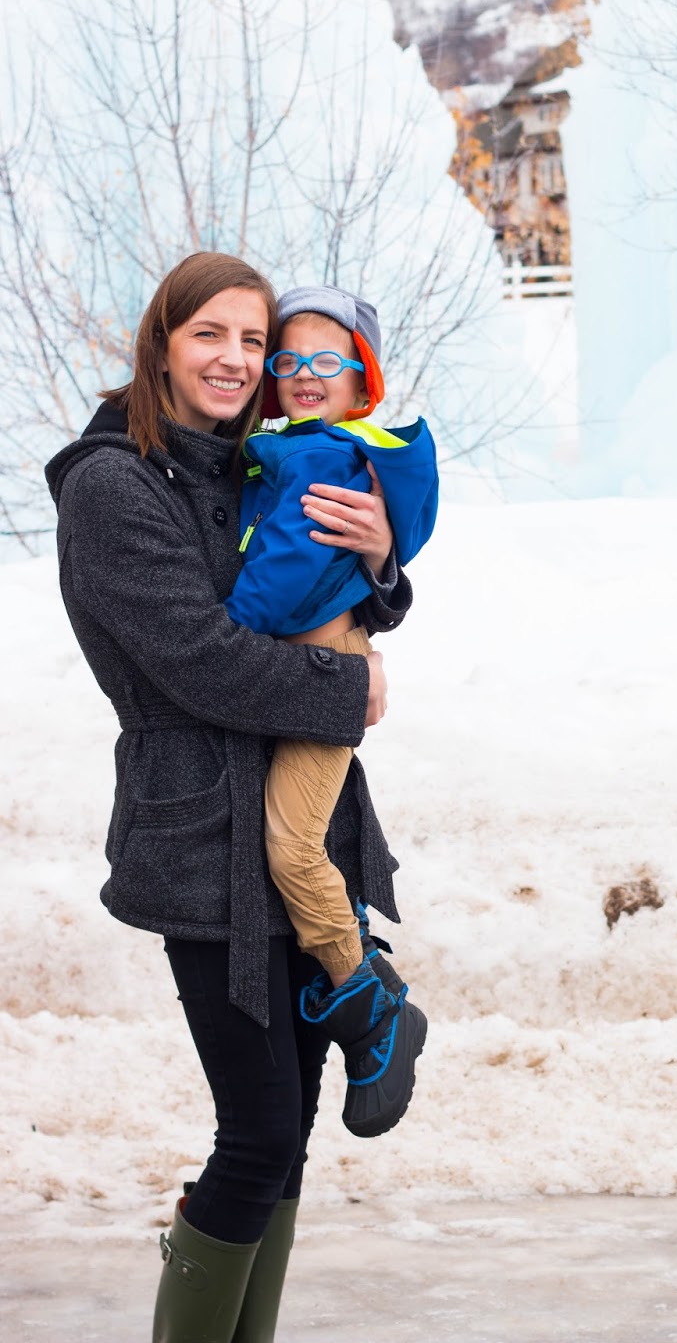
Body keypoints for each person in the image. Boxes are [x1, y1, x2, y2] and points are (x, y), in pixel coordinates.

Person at [44, 253, 416, 1341]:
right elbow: (200, 659)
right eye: (212, 334)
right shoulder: (114, 485)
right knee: (254, 1129)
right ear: (162, 339)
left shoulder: (243, 461)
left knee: (287, 1129)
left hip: (296, 815)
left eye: (253, 342)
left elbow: (325, 578)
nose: (237, 359)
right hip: (202, 831)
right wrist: (350, 681)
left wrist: (384, 562)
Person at [224, 284, 437, 1138]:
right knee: (287, 833)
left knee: (291, 841)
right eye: (289, 361)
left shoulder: (320, 459)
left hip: (319, 670)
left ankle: (370, 1001)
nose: (303, 376)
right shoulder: (293, 446)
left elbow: (281, 576)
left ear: (362, 379)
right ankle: (339, 953)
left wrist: (223, 631)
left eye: (326, 362)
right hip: (303, 666)